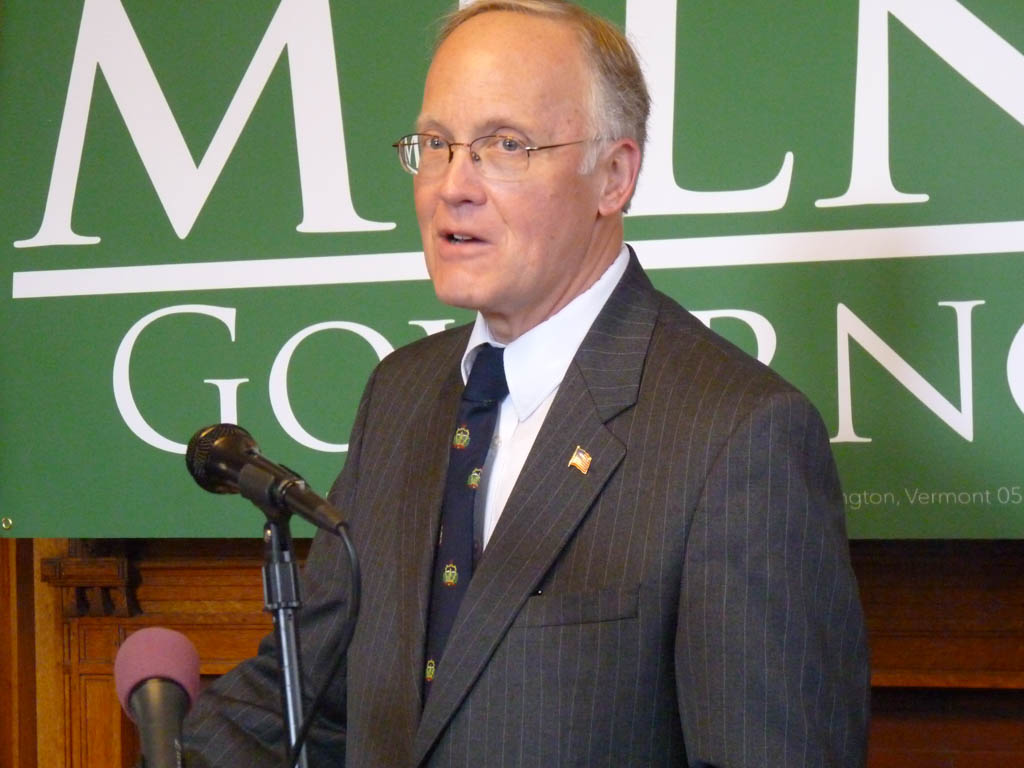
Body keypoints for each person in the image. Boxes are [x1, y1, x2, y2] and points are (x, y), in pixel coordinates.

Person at [183, 1, 870, 765]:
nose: (453, 186)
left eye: (504, 145)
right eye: (437, 145)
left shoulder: (740, 435)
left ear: (613, 176)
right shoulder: (401, 394)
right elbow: (309, 696)